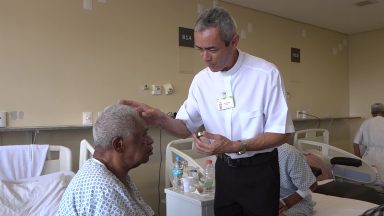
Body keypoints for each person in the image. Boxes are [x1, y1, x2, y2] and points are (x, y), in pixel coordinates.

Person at [121, 7, 294, 216]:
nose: (205, 57)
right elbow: (184, 127)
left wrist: (236, 145)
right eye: (199, 49)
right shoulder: (202, 81)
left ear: (234, 41)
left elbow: (282, 132)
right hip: (224, 171)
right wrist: (160, 118)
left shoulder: (265, 74)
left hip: (259, 172)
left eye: (212, 49)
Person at [57, 104, 154, 216]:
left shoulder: (116, 175)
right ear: (118, 144)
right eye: (144, 135)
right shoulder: (104, 190)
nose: (150, 140)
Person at [278, 143, 317, 216]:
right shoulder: (250, 154)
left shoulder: (288, 153)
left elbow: (311, 185)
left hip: (294, 203)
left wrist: (285, 203)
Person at [353, 102, 384, 167]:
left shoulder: (366, 123)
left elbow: (355, 143)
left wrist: (359, 160)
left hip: (369, 160)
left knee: (370, 176)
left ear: (372, 113)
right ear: (383, 112)